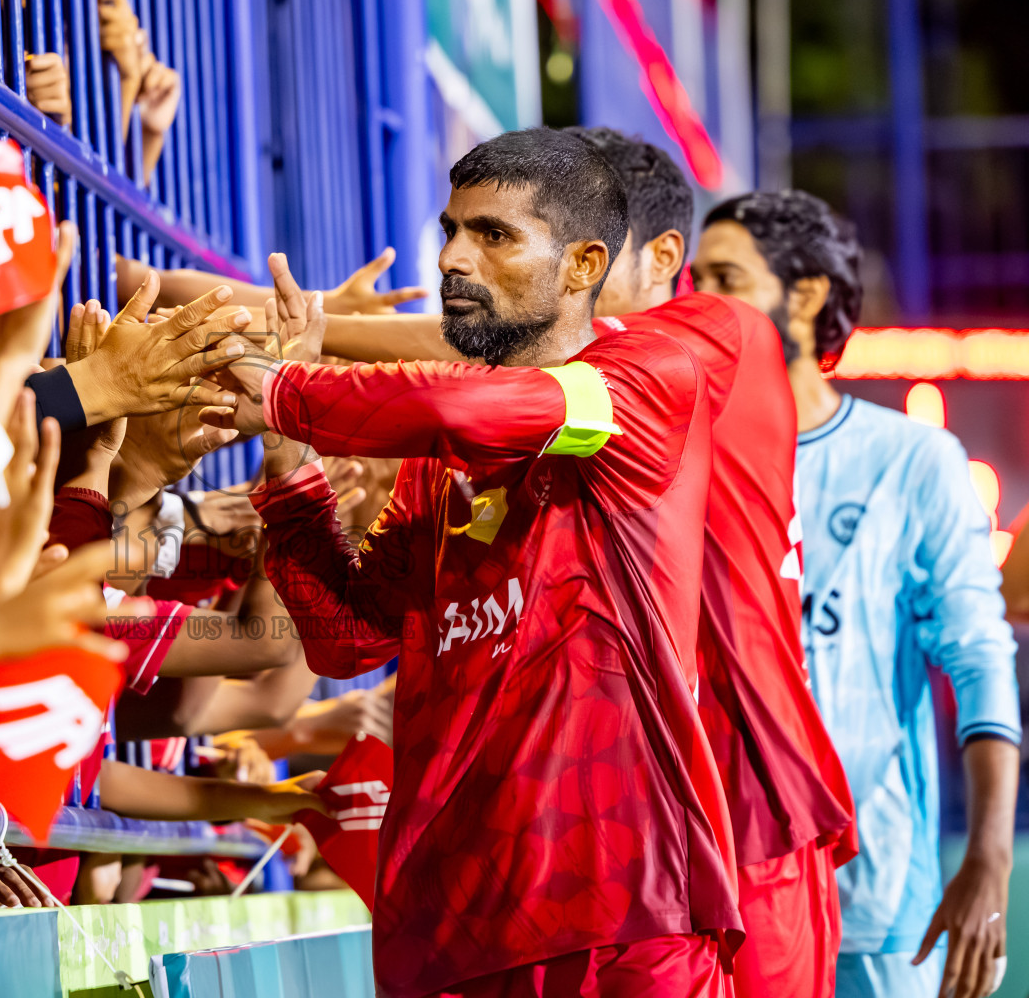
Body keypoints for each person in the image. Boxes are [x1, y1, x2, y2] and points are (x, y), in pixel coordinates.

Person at [210, 128, 741, 997]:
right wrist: (286, 463)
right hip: (446, 926)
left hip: (621, 914)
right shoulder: (437, 462)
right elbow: (347, 642)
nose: (456, 256)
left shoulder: (647, 378)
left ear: (583, 266)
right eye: (452, 229)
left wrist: (281, 390)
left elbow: (481, 411)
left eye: (494, 235)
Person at [692, 189, 1021, 998]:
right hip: (710, 899)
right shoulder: (679, 459)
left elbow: (979, 659)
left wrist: (987, 860)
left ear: (803, 296)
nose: (698, 306)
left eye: (724, 280)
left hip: (875, 905)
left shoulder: (913, 461)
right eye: (693, 282)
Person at [571, 127, 856, 998]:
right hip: (648, 817)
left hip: (755, 802)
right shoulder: (611, 392)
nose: (707, 291)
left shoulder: (713, 337)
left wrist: (290, 333)